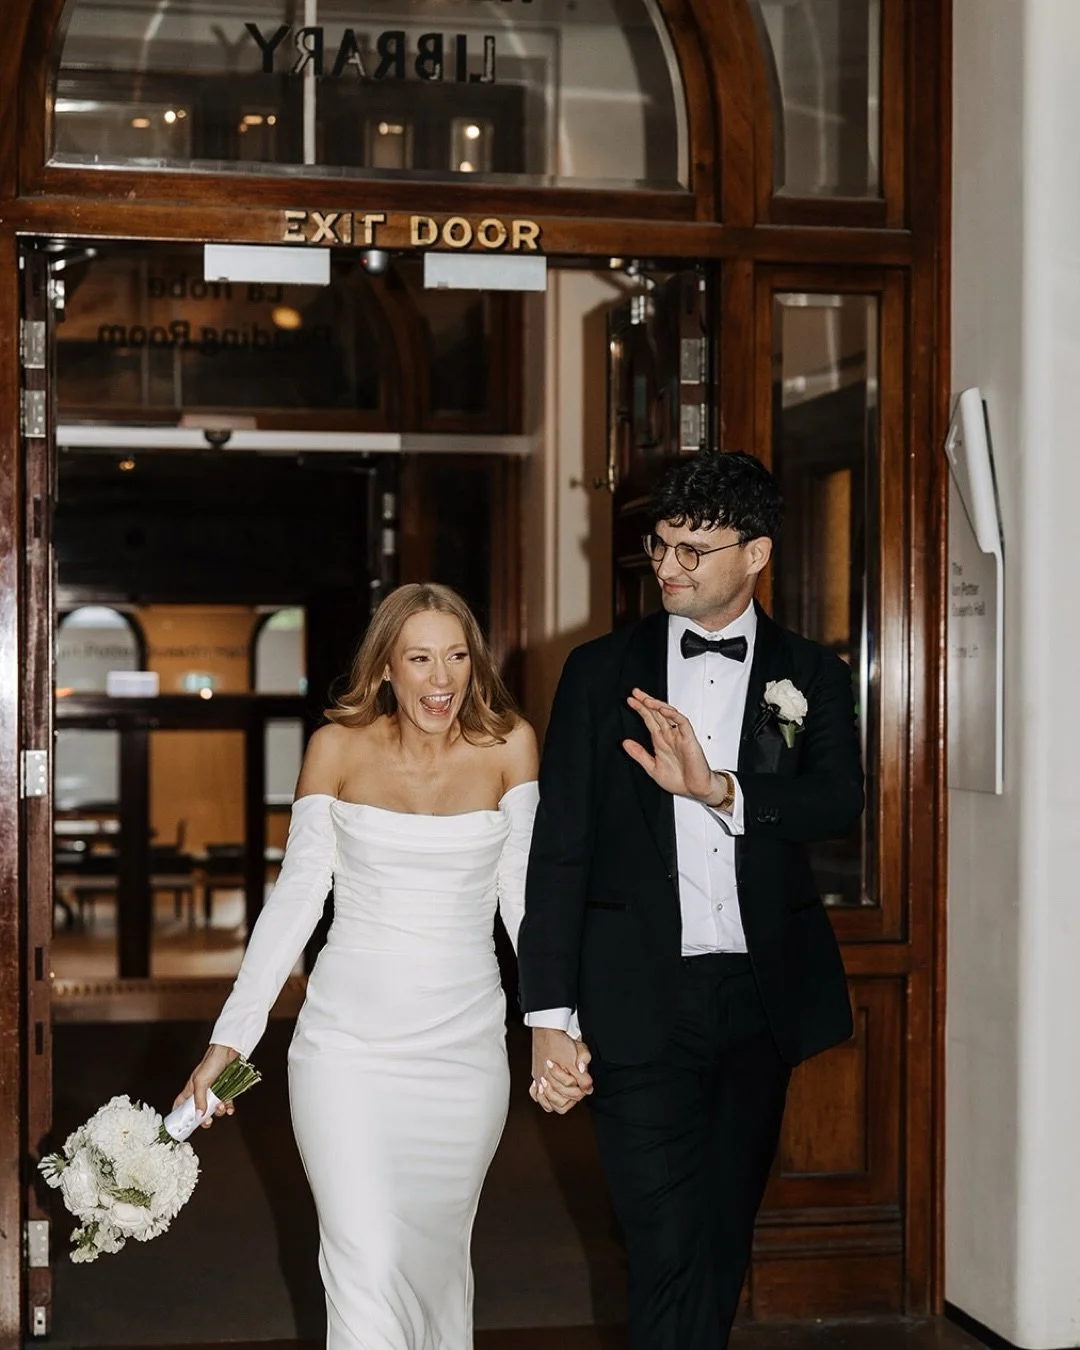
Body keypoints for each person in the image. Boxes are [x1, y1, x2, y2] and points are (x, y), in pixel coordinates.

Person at [176, 582, 589, 1350]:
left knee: (433, 1270)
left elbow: (527, 902)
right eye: (420, 658)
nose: (442, 679)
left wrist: (553, 1023)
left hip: (463, 1054)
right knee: (365, 1267)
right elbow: (295, 903)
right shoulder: (337, 748)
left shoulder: (511, 747)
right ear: (386, 668)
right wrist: (228, 1044)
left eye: (457, 657)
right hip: (346, 1052)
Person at [517, 450, 864, 1349]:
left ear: (756, 554)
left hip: (760, 998)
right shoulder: (598, 672)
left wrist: (720, 790)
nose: (666, 567)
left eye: (692, 551)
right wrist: (548, 1013)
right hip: (638, 997)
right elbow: (559, 852)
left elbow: (837, 803)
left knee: (718, 1234)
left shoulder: (809, 674)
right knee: (662, 1238)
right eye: (660, 545)